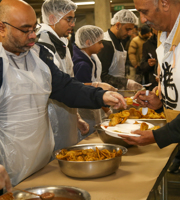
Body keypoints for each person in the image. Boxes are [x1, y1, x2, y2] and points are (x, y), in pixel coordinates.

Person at [0, 0, 126, 187]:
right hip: (7, 165)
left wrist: (100, 95)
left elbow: (65, 86)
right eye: (25, 30)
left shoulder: (39, 55)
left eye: (34, 28)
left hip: (41, 158)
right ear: (2, 28)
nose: (33, 35)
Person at [119, 0, 180, 199]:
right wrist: (162, 101)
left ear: (164, 3)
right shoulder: (165, 34)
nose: (143, 20)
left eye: (144, 12)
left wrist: (158, 136)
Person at [36, 0, 90, 150]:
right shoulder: (42, 45)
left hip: (67, 114)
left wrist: (76, 117)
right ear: (52, 19)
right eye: (68, 19)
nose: (73, 24)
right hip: (53, 119)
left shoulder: (62, 42)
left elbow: (69, 79)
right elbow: (58, 86)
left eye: (73, 19)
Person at [73, 25, 115, 139]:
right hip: (85, 111)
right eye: (99, 42)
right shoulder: (82, 64)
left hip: (93, 104)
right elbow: (82, 90)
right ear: (88, 42)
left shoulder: (90, 57)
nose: (102, 46)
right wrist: (107, 110)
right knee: (88, 137)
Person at [97, 9, 143, 91]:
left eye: (131, 30)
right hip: (107, 92)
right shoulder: (106, 44)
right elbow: (102, 75)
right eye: (127, 29)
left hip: (117, 90)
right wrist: (125, 82)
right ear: (117, 25)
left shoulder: (119, 41)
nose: (129, 33)